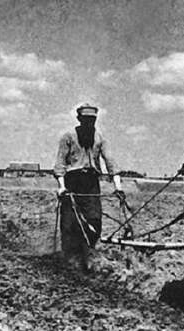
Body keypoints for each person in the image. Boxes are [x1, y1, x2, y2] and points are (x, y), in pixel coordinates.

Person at [54, 103, 123, 271]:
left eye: (92, 120)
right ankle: (69, 261)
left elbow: (111, 163)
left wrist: (118, 187)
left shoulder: (100, 138)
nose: (89, 123)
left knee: (94, 220)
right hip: (72, 181)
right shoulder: (68, 137)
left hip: (91, 183)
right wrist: (62, 187)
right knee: (70, 223)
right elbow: (60, 164)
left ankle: (88, 253)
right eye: (85, 120)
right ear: (79, 119)